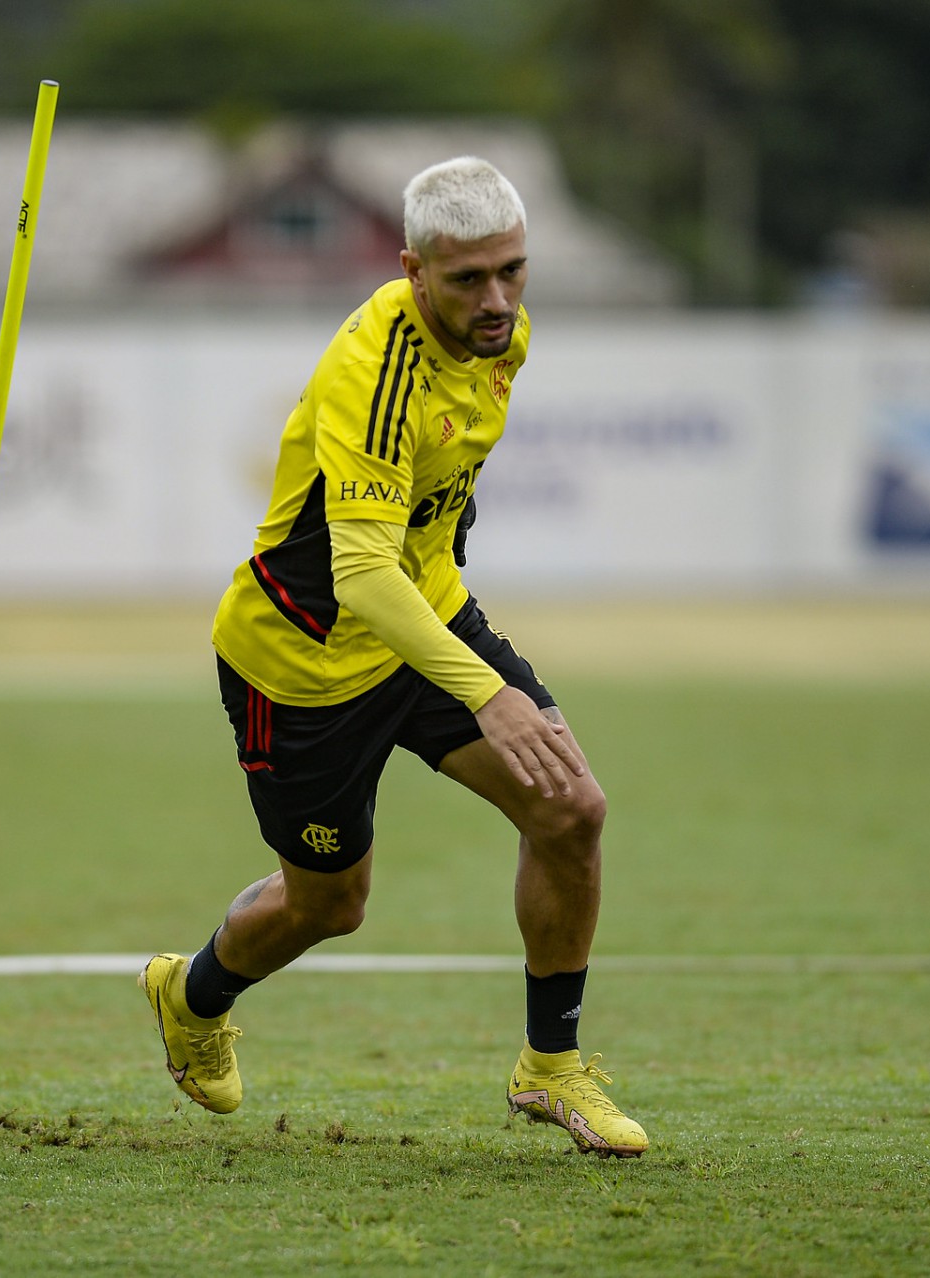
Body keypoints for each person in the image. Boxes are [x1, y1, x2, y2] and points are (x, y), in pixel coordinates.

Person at [139, 157, 649, 1158]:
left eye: (513, 270)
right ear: (414, 271)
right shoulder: (376, 369)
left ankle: (552, 1070)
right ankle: (189, 995)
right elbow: (361, 572)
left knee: (571, 809)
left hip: (428, 618)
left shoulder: (502, 336)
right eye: (467, 279)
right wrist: (489, 694)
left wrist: (471, 664)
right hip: (304, 664)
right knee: (330, 905)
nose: (496, 299)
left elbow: (416, 542)